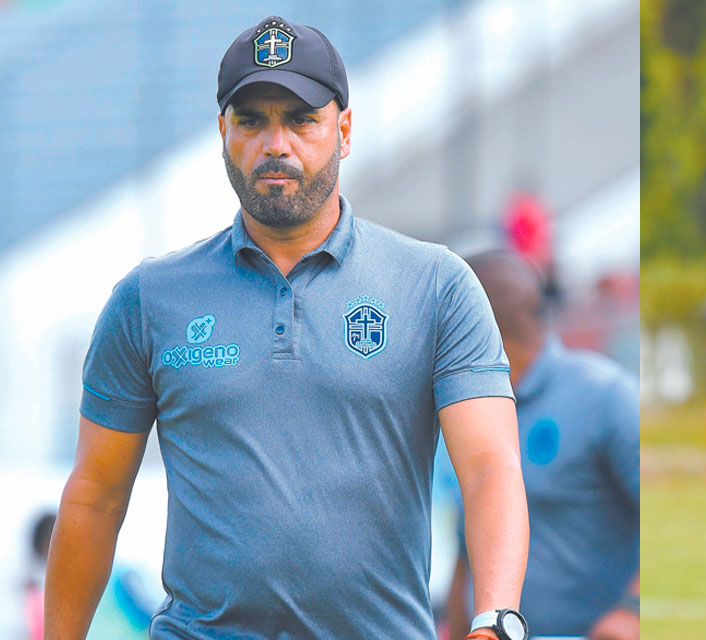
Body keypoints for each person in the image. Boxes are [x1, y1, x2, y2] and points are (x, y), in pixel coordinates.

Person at [45, 16, 530, 640]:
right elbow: (95, 494)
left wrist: (495, 620)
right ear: (223, 132)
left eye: (302, 119)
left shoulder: (436, 285)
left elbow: (490, 466)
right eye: (251, 120)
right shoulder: (149, 299)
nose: (276, 144)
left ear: (344, 130)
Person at [448, 251, 640, 640]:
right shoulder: (461, 411)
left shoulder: (605, 397)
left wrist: (633, 611)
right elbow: (465, 551)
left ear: (474, 326)